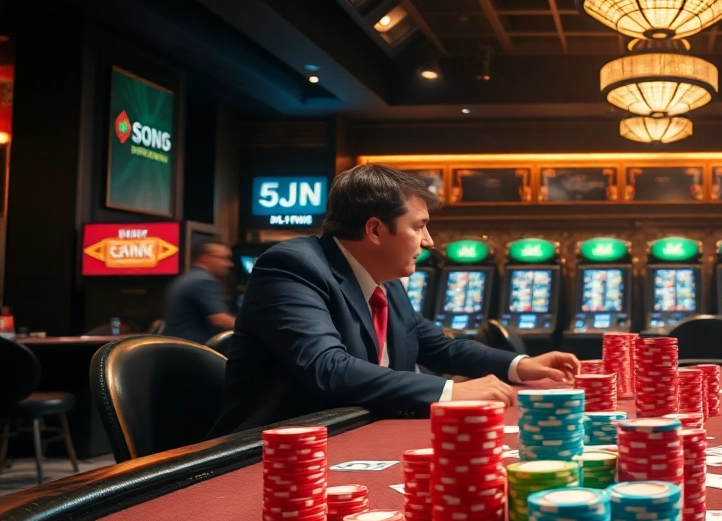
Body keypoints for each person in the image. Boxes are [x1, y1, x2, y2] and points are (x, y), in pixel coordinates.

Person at [212, 164, 578, 436]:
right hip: (263, 454)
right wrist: (451, 390)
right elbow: (329, 368)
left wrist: (521, 364)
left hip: (354, 433)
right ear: (374, 230)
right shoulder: (292, 267)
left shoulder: (386, 283)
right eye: (419, 226)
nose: (429, 241)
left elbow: (437, 346)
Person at [162, 241, 236, 345]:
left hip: (175, 347)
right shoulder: (203, 280)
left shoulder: (187, 278)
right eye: (224, 258)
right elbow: (219, 319)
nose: (229, 264)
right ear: (205, 258)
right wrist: (255, 328)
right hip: (192, 350)